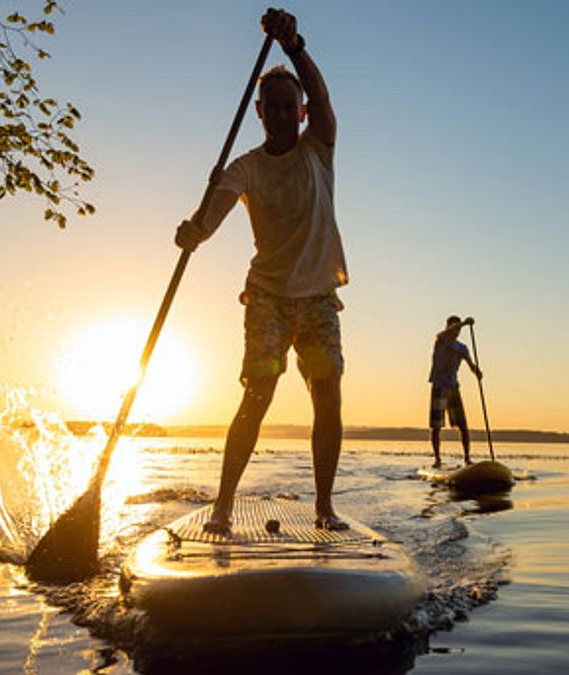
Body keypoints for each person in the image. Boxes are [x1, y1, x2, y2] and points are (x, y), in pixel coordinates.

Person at [175, 8, 349, 532]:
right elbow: (216, 209)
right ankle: (224, 507)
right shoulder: (245, 166)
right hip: (269, 298)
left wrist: (294, 46)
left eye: (287, 105)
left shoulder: (319, 147)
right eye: (270, 106)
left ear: (299, 113)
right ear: (258, 112)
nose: (279, 112)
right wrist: (195, 230)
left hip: (318, 296)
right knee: (258, 394)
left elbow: (321, 97)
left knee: (328, 395)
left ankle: (324, 508)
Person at [428, 316, 482, 468]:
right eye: (455, 328)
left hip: (453, 387)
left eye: (458, 329)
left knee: (463, 425)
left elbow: (471, 365)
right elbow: (442, 333)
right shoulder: (441, 341)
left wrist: (477, 372)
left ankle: (467, 458)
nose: (457, 331)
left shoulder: (462, 348)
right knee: (436, 426)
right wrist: (464, 323)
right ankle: (437, 459)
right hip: (439, 386)